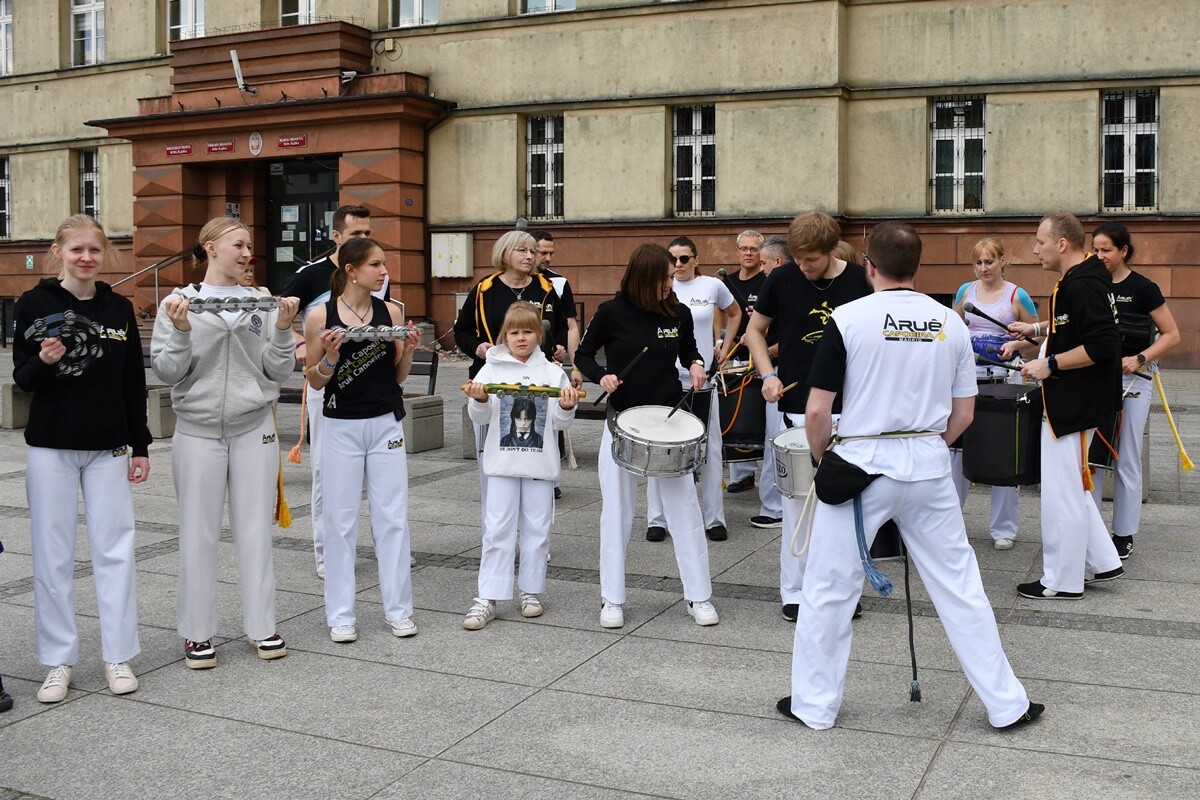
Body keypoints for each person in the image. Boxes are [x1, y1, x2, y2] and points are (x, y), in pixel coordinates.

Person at [777, 221, 1041, 731]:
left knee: (830, 587)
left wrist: (821, 458)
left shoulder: (848, 318)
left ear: (868, 266)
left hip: (860, 465)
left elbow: (816, 412)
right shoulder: (949, 320)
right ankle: (1008, 704)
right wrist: (925, 447)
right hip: (927, 467)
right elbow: (964, 413)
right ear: (917, 269)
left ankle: (814, 704)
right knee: (961, 586)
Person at [13, 214, 152, 702]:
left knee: (114, 551)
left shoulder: (119, 309)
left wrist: (141, 444)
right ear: (59, 252)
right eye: (77, 250)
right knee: (52, 558)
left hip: (107, 447)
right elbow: (23, 380)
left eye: (94, 250)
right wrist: (45, 362)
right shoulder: (33, 303)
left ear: (105, 255)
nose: (86, 258)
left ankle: (118, 655)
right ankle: (59, 661)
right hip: (50, 447)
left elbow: (133, 383)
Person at [151, 216, 300, 668]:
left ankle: (262, 625)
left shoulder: (264, 302)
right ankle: (197, 634)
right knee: (199, 532)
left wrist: (280, 331)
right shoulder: (180, 303)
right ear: (210, 248)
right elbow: (166, 372)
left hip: (253, 425)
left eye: (249, 245)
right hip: (197, 430)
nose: (246, 252)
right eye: (237, 244)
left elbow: (278, 372)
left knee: (255, 530)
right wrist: (179, 333)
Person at [575, 243, 720, 628]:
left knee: (685, 510)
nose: (670, 285)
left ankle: (698, 597)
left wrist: (695, 363)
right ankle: (612, 599)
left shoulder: (679, 312)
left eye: (671, 278)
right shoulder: (611, 312)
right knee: (617, 513)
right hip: (622, 420)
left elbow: (691, 350)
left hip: (669, 420)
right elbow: (584, 355)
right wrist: (599, 376)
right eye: (664, 279)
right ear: (645, 278)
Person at [743, 212, 872, 622]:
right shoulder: (781, 280)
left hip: (851, 408)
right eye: (798, 259)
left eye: (812, 259)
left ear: (832, 250)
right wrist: (767, 374)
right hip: (797, 405)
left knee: (846, 504)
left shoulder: (858, 280)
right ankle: (795, 591)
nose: (804, 266)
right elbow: (755, 332)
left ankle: (841, 593)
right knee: (798, 505)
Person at [1001, 212, 1124, 599]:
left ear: (1062, 244)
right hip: (1077, 400)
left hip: (1073, 403)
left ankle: (1062, 580)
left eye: (1040, 241)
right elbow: (1074, 327)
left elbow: (1102, 345)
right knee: (1072, 487)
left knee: (1062, 493)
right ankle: (1102, 561)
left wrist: (1047, 364)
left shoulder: (1082, 284)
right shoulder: (1080, 279)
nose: (1035, 249)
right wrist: (1037, 331)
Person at [304, 236, 421, 642]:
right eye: (375, 264)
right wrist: (331, 359)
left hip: (386, 420)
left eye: (384, 264)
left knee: (393, 519)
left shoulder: (391, 311)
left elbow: (399, 375)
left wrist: (408, 352)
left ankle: (400, 610)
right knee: (340, 522)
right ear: (351, 270)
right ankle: (340, 615)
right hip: (341, 424)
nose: (384, 271)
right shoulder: (321, 315)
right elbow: (313, 379)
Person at [462, 302, 579, 629]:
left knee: (537, 530)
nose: (521, 338)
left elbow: (558, 422)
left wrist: (568, 408)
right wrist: (480, 399)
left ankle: (531, 590)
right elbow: (481, 418)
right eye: (514, 332)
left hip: (540, 465)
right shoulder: (491, 368)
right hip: (501, 463)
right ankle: (488, 596)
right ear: (504, 336)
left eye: (528, 331)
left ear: (539, 334)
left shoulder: (553, 372)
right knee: (497, 529)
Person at [282, 205, 383, 580]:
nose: (363, 240)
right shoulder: (311, 275)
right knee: (327, 471)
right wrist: (298, 345)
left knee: (376, 474)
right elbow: (282, 316)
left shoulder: (376, 271)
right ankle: (326, 554)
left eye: (368, 233)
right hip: (325, 383)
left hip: (366, 385)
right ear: (337, 237)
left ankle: (385, 546)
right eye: (356, 234)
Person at [454, 230, 568, 523]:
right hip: (494, 383)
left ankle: (535, 533)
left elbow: (558, 327)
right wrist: (476, 347)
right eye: (522, 250)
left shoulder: (545, 287)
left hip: (537, 382)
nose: (530, 256)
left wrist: (558, 347)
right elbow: (462, 330)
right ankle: (493, 529)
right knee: (493, 467)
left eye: (532, 251)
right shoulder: (485, 289)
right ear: (504, 254)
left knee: (536, 460)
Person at [1087, 222, 1180, 560]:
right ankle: (1091, 526)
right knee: (1092, 457)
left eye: (1106, 250)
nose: (1099, 256)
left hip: (1133, 383)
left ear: (1123, 251)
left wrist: (1139, 358)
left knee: (1126, 456)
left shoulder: (1144, 288)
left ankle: (1123, 533)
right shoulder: (1090, 284)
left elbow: (1171, 335)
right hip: (1095, 381)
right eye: (1095, 249)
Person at [644, 236, 740, 542]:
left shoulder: (712, 286)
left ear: (696, 259)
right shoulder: (659, 288)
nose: (679, 265)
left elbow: (736, 313)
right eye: (673, 259)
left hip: (702, 380)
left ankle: (714, 518)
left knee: (710, 448)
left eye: (685, 258)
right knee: (659, 448)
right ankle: (657, 518)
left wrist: (725, 344)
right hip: (665, 380)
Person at [950, 238, 1038, 550]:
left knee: (1004, 452)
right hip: (967, 379)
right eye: (978, 263)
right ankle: (949, 523)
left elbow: (1037, 338)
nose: (984, 268)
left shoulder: (1017, 295)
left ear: (1002, 261)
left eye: (989, 261)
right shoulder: (965, 292)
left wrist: (1015, 345)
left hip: (1003, 377)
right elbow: (952, 328)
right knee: (957, 451)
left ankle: (1004, 528)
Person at [722, 231, 785, 529]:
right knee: (744, 418)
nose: (754, 261)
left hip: (776, 368)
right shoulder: (730, 280)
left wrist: (760, 343)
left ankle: (776, 506)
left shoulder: (779, 283)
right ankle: (745, 475)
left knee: (775, 438)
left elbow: (790, 338)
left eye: (756, 252)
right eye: (744, 249)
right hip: (754, 362)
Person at [532, 229, 579, 500]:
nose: (547, 258)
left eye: (551, 253)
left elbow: (571, 325)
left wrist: (574, 363)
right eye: (543, 252)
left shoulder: (559, 283)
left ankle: (551, 478)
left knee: (552, 419)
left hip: (549, 364)